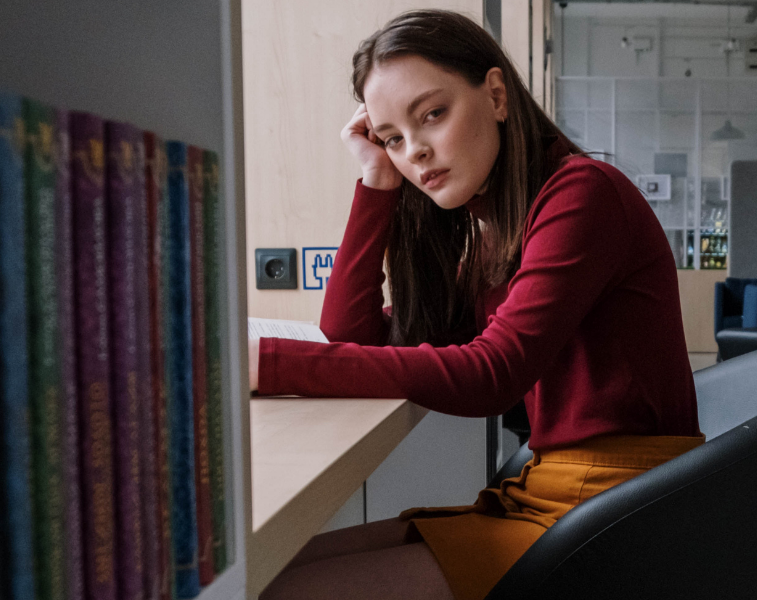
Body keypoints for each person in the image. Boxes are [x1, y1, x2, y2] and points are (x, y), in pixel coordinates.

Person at [254, 9, 703, 600]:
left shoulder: (582, 193)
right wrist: (375, 185)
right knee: (258, 572)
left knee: (279, 589)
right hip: (552, 495)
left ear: (495, 95)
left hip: (613, 508)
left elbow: (492, 373)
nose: (414, 152)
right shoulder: (496, 232)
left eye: (432, 114)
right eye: (392, 138)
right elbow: (348, 334)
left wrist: (265, 362)